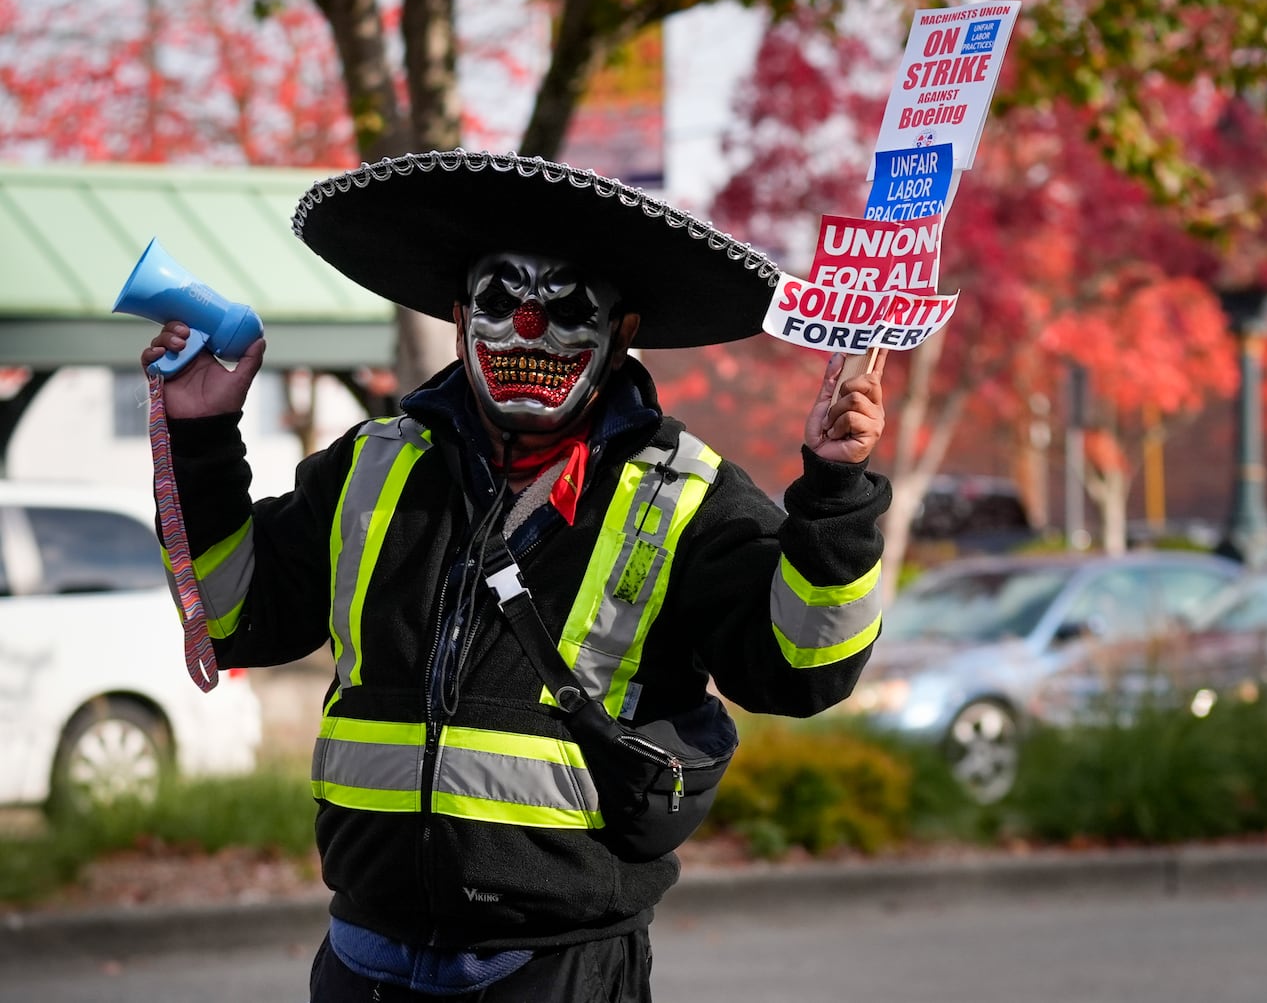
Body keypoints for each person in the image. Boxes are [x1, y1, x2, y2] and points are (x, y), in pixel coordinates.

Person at [138, 149, 891, 1001]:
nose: (528, 327)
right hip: (361, 960)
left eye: (567, 303)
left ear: (623, 332)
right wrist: (202, 436)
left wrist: (836, 490)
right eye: (501, 298)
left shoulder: (683, 495)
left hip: (555, 969)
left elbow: (803, 667)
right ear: (461, 317)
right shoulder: (371, 467)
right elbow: (236, 617)